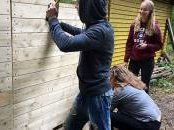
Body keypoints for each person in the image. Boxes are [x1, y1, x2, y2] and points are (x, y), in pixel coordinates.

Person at [46, 0, 114, 130]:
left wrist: (53, 20)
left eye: (79, 3)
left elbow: (66, 44)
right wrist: (58, 23)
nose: (76, 6)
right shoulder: (95, 25)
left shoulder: (100, 31)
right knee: (70, 127)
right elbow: (81, 33)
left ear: (89, 6)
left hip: (98, 97)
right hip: (85, 93)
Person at [124, 0, 163, 93]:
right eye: (140, 9)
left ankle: (145, 105)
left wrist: (147, 46)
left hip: (147, 60)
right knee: (131, 83)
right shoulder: (134, 24)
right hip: (134, 59)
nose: (141, 11)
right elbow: (129, 42)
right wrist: (126, 59)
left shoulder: (155, 27)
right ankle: (131, 104)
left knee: (145, 85)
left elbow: (159, 45)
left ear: (150, 12)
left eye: (145, 10)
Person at [110, 65, 161, 130]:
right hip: (157, 119)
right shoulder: (133, 85)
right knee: (120, 113)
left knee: (109, 116)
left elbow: (107, 110)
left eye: (110, 78)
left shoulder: (119, 90)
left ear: (114, 78)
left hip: (149, 125)